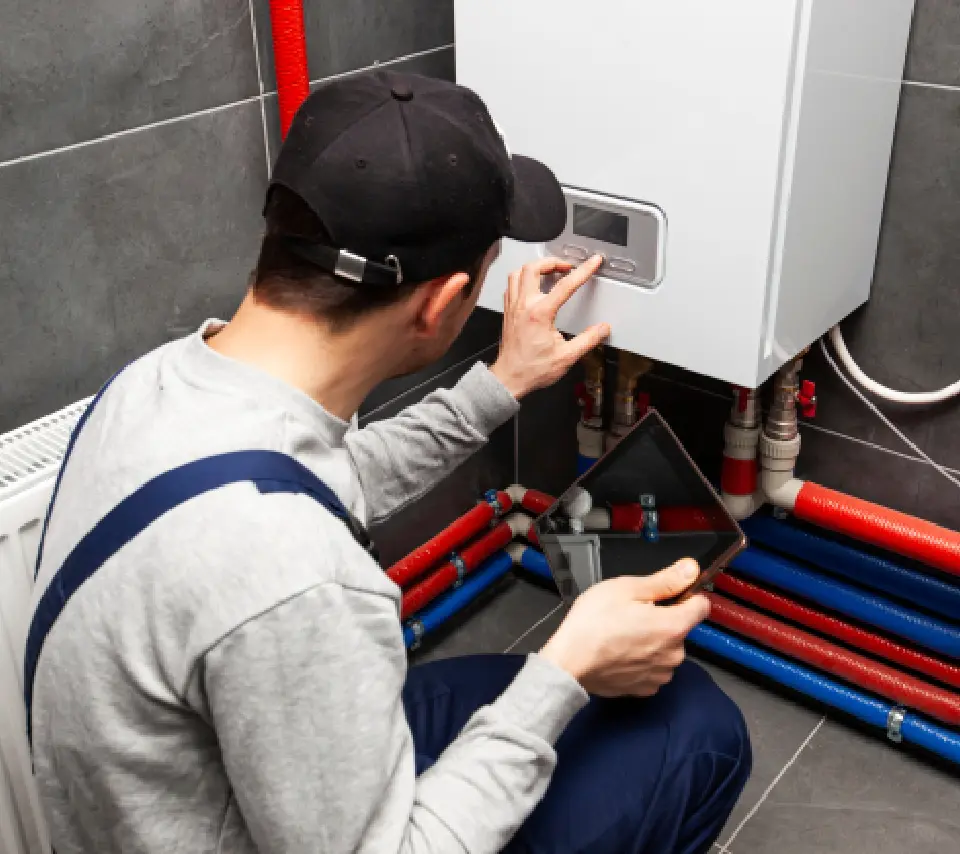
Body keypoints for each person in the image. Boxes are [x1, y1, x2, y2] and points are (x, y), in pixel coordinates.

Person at [27, 71, 751, 854]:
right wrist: (566, 666)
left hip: (196, 793)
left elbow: (321, 483)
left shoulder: (158, 385)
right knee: (702, 734)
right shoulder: (294, 579)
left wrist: (501, 382)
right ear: (440, 304)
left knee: (591, 708)